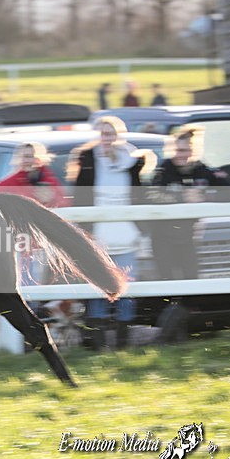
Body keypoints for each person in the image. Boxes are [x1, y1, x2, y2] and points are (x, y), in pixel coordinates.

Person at [68, 115, 154, 349]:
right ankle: (97, 344)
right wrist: (84, 230)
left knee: (127, 286)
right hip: (98, 235)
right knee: (97, 286)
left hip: (127, 234)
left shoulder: (132, 161)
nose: (107, 138)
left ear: (119, 135)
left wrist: (142, 228)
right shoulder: (88, 159)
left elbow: (140, 196)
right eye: (103, 133)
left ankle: (123, 343)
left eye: (111, 133)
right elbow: (80, 198)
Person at [148, 124, 230, 280]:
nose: (179, 155)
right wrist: (181, 198)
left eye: (183, 150)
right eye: (175, 150)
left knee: (191, 277)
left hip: (190, 236)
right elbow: (149, 196)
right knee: (166, 280)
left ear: (193, 151)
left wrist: (206, 197)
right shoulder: (163, 170)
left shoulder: (203, 170)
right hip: (162, 236)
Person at [0, 141, 68, 288]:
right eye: (24, 156)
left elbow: (64, 209)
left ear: (40, 158)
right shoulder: (9, 183)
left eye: (31, 156)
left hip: (45, 246)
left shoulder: (49, 181)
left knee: (44, 290)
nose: (27, 160)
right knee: (25, 288)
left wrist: (51, 200)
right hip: (21, 246)